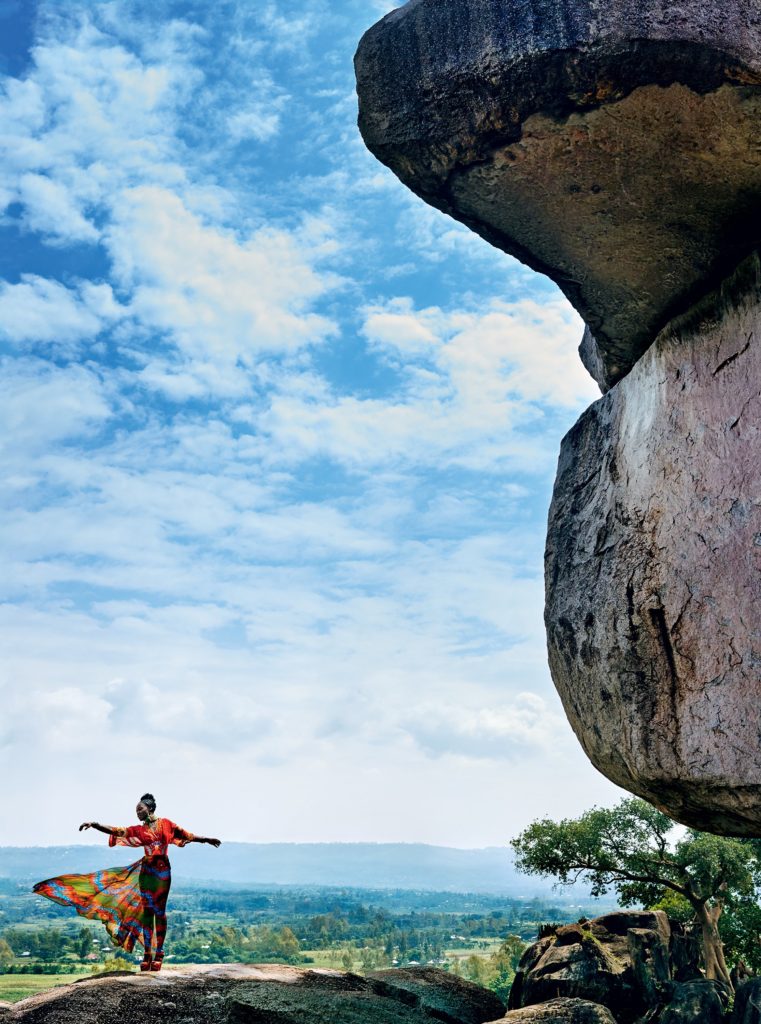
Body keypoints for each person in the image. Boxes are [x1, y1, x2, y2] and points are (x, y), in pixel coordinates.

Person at [33, 793, 221, 972]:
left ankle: (159, 953)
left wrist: (206, 839)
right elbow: (117, 830)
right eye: (136, 810)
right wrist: (96, 825)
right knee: (147, 913)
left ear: (150, 808)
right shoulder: (138, 830)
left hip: (163, 872)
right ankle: (147, 952)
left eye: (140, 809)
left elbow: (187, 835)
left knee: (160, 913)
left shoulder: (167, 824)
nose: (137, 812)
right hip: (147, 872)